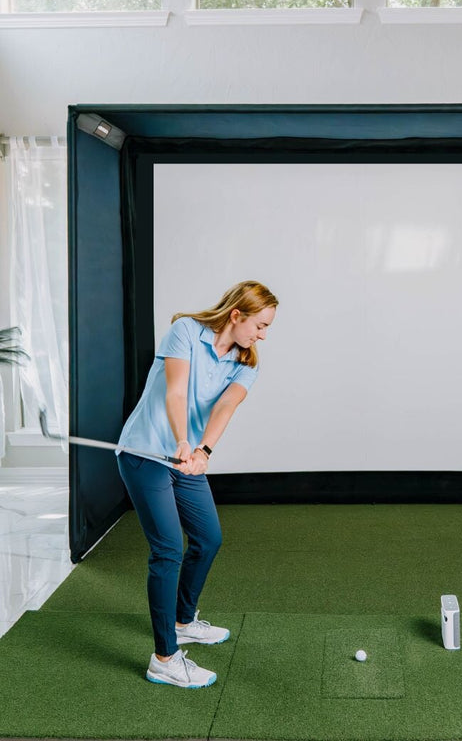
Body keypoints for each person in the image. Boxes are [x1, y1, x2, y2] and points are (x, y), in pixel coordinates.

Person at [116, 280, 278, 688]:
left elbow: (225, 406)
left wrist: (203, 449)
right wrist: (182, 439)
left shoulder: (247, 363)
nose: (262, 335)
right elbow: (175, 391)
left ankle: (182, 620)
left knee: (208, 538)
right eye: (259, 325)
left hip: (186, 461)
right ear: (236, 314)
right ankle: (164, 658)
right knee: (168, 549)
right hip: (146, 454)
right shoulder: (186, 331)